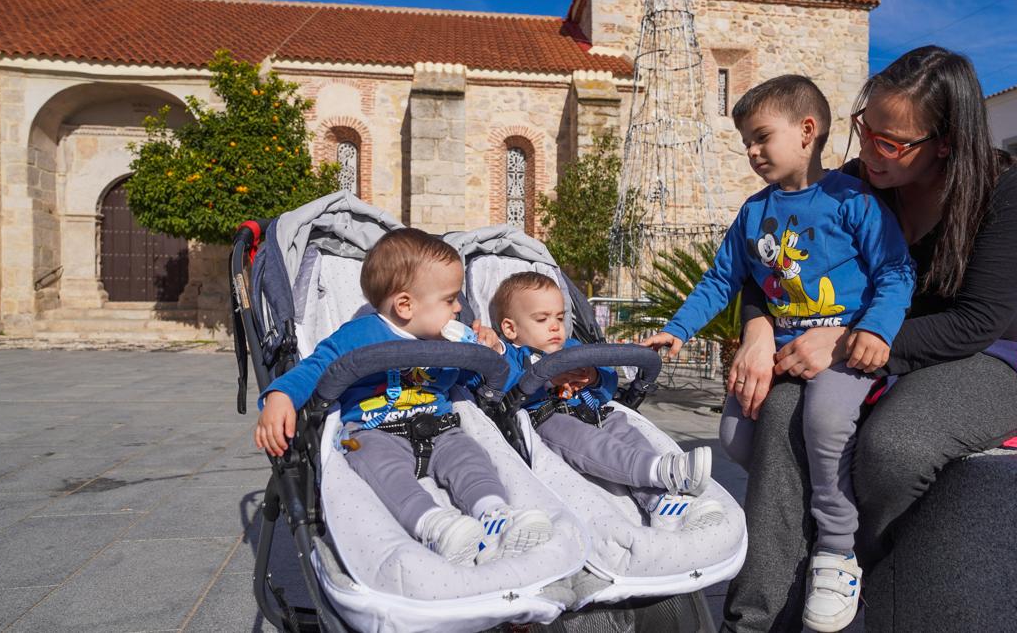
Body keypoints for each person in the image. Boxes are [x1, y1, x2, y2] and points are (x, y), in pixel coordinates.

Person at [720, 46, 1017, 632]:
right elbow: (773, 267)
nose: (867, 150)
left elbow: (980, 319)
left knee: (896, 447)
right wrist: (757, 328)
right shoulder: (851, 186)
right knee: (778, 415)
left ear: (945, 143)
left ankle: (843, 561)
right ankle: (754, 621)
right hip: (853, 355)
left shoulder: (1011, 191)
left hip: (974, 356)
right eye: (866, 127)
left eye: (891, 141)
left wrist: (845, 341)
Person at [640, 75, 914, 632]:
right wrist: (678, 330)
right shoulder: (753, 212)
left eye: (762, 136)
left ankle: (837, 548)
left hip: (842, 352)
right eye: (746, 141)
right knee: (736, 437)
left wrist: (877, 332)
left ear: (808, 131)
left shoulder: (852, 200)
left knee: (825, 419)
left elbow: (895, 269)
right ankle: (818, 499)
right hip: (782, 354)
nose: (752, 151)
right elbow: (721, 281)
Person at [254, 228, 552, 567]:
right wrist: (280, 396)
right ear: (406, 305)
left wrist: (491, 351)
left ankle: (494, 512)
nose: (459, 308)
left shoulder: (452, 341)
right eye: (450, 299)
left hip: (439, 428)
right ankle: (433, 524)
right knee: (381, 470)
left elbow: (498, 382)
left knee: (470, 456)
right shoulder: (358, 335)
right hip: (374, 431)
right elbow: (315, 368)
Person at [492, 271, 725, 531]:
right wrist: (546, 379)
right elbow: (501, 387)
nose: (555, 326)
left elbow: (608, 384)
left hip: (597, 413)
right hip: (549, 421)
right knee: (594, 445)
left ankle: (661, 504)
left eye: (559, 317)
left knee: (628, 432)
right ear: (510, 328)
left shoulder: (572, 347)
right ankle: (662, 470)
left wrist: (593, 377)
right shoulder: (511, 357)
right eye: (542, 319)